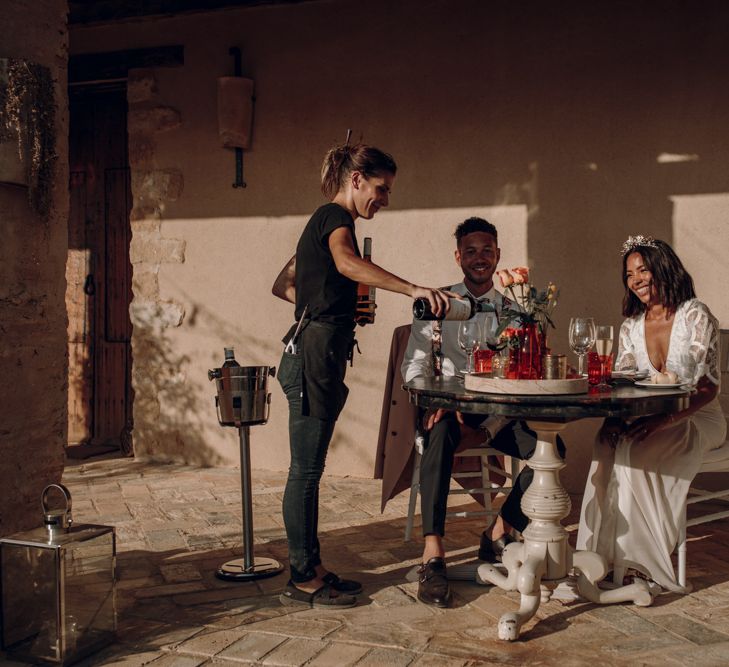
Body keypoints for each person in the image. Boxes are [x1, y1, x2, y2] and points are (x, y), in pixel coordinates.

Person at [271, 142, 452, 609]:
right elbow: (347, 263)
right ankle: (302, 576)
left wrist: (337, 305)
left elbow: (283, 284)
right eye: (381, 188)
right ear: (356, 180)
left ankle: (311, 566)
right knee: (305, 472)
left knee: (309, 470)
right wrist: (411, 286)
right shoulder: (336, 221)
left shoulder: (322, 222)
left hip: (316, 351)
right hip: (312, 358)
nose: (385, 200)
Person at [401, 217, 564, 608]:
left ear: (498, 256)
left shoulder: (516, 310)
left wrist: (488, 429)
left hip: (501, 414)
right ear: (458, 256)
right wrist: (440, 403)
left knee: (553, 450)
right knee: (438, 434)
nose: (479, 259)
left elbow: (520, 380)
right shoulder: (436, 303)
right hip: (450, 411)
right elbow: (413, 368)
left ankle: (498, 531)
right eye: (470, 251)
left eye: (486, 251)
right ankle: (433, 554)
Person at [576, 236, 726, 593]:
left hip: (696, 415)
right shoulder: (631, 326)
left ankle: (640, 566)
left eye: (644, 269)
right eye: (630, 274)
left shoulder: (695, 315)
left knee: (637, 450)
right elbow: (622, 386)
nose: (637, 279)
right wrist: (613, 420)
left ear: (664, 269)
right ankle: (596, 556)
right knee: (606, 443)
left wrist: (664, 421)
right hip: (647, 415)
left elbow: (707, 388)